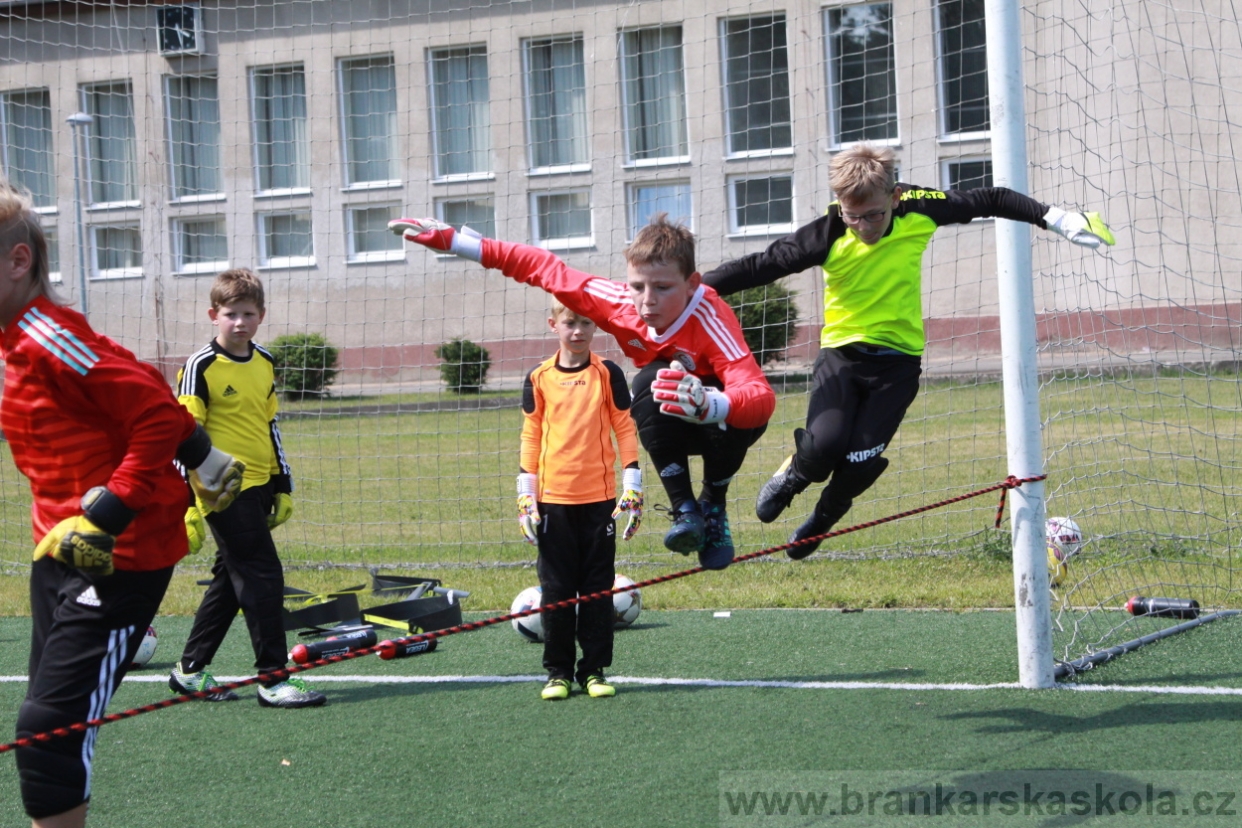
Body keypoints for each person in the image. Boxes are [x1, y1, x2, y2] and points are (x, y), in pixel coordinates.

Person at [702, 143, 1115, 558]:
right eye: (852, 216)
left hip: (898, 362)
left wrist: (1055, 218)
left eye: (874, 215)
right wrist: (692, 290)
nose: (863, 226)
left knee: (860, 460)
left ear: (895, 197)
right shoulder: (827, 232)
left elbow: (991, 198)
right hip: (842, 355)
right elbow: (761, 265)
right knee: (823, 448)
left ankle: (822, 520)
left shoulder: (919, 206)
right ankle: (795, 474)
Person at [0, 180, 243, 828]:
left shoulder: (46, 336)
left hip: (120, 558)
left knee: (48, 732)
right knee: (50, 725)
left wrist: (107, 515)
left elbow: (155, 412)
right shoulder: (19, 339)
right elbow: (142, 388)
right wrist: (204, 455)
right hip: (58, 549)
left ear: (19, 261)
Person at [391, 214, 775, 570]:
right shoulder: (620, 303)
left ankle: (713, 504)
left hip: (721, 424)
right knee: (647, 382)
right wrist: (458, 242)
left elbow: (759, 396)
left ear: (692, 284)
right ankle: (686, 511)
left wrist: (711, 404)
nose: (647, 299)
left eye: (662, 287)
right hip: (671, 419)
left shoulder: (710, 316)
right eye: (637, 286)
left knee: (734, 412)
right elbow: (544, 269)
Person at [168, 269, 326, 708]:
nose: (240, 322)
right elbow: (182, 435)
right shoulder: (200, 366)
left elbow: (269, 425)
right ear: (213, 315)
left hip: (258, 486)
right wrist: (188, 503)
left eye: (248, 314)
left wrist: (282, 484)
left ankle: (189, 671)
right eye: (231, 314)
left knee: (230, 579)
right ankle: (273, 680)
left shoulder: (264, 362)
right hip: (220, 491)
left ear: (262, 315)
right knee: (263, 575)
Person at [517, 299, 643, 700]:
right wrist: (525, 495)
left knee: (596, 589)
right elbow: (531, 435)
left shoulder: (608, 373)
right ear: (553, 324)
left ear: (595, 326)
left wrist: (633, 485)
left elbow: (625, 427)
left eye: (586, 323)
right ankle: (558, 673)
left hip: (599, 502)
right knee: (556, 589)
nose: (578, 331)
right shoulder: (538, 377)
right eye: (570, 322)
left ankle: (594, 671)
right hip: (552, 503)